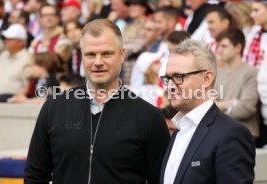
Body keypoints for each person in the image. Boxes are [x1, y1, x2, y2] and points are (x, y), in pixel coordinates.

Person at [24, 19, 170, 184]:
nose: (98, 62)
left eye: (107, 54)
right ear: (82, 57)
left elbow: (161, 179)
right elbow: (35, 176)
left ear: (122, 55)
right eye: (90, 54)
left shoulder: (149, 117)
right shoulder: (54, 108)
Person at [160, 39, 255, 184]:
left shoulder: (231, 134)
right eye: (168, 78)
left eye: (179, 77)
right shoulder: (177, 132)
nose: (171, 86)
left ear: (206, 78)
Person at [214, 28, 259, 139]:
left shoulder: (251, 72)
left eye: (224, 46)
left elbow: (246, 108)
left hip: (244, 133)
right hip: (219, 133)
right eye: (218, 46)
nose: (219, 50)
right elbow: (207, 104)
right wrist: (230, 103)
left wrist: (217, 109)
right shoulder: (217, 73)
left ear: (238, 47)